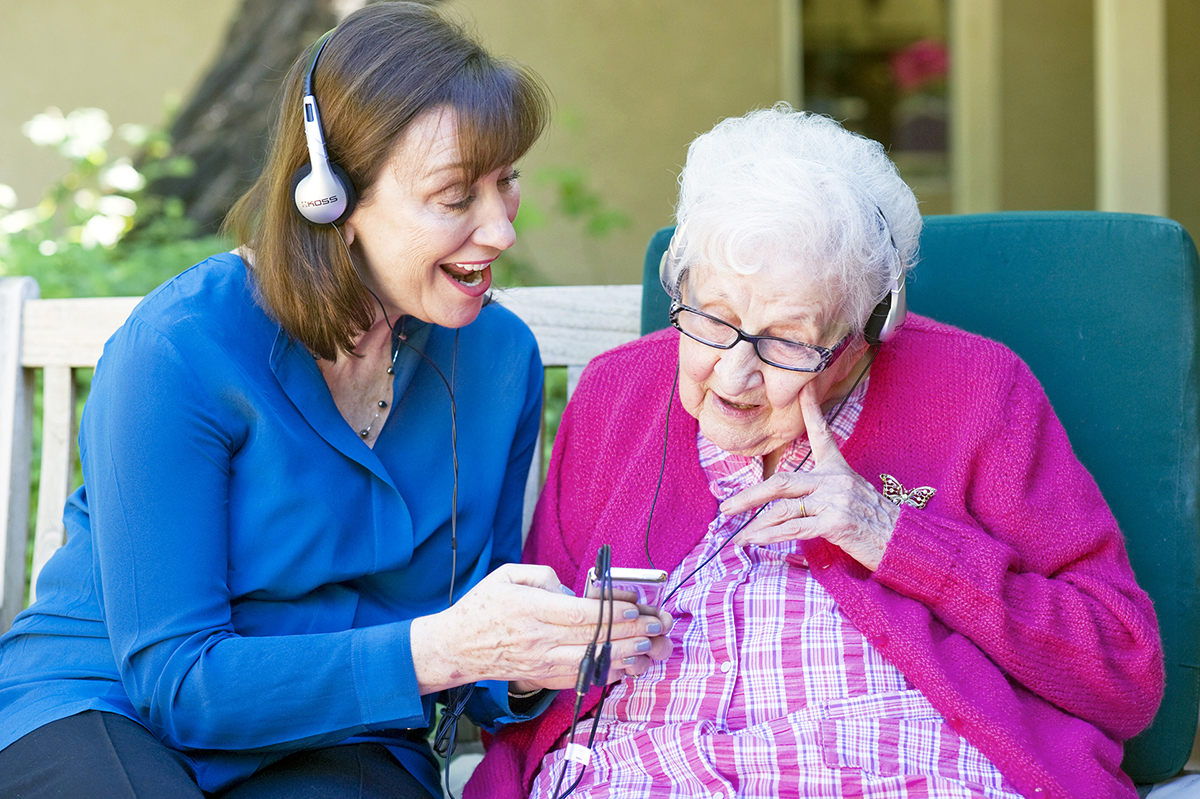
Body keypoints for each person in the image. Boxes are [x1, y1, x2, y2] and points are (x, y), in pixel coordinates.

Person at [0, 4, 670, 798]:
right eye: (456, 196)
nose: (500, 230)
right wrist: (446, 649)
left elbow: (475, 647)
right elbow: (177, 684)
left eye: (507, 180)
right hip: (107, 704)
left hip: (345, 724)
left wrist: (535, 659)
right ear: (331, 198)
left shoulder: (497, 359)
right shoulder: (181, 348)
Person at [466, 105, 1164, 799]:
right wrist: (542, 661)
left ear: (867, 331)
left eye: (786, 342)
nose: (733, 375)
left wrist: (890, 531)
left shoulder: (978, 391)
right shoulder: (617, 394)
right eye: (713, 320)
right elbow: (515, 683)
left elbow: (1123, 672)